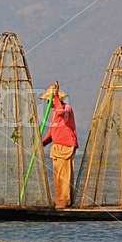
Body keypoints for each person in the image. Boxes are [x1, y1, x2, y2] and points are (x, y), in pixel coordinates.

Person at [41, 81, 78, 209]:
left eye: (49, 100)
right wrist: (41, 144)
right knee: (57, 177)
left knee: (64, 175)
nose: (48, 103)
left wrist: (55, 95)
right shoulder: (54, 113)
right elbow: (52, 132)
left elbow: (61, 111)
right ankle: (60, 201)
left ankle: (65, 202)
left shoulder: (66, 108)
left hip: (66, 146)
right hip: (57, 147)